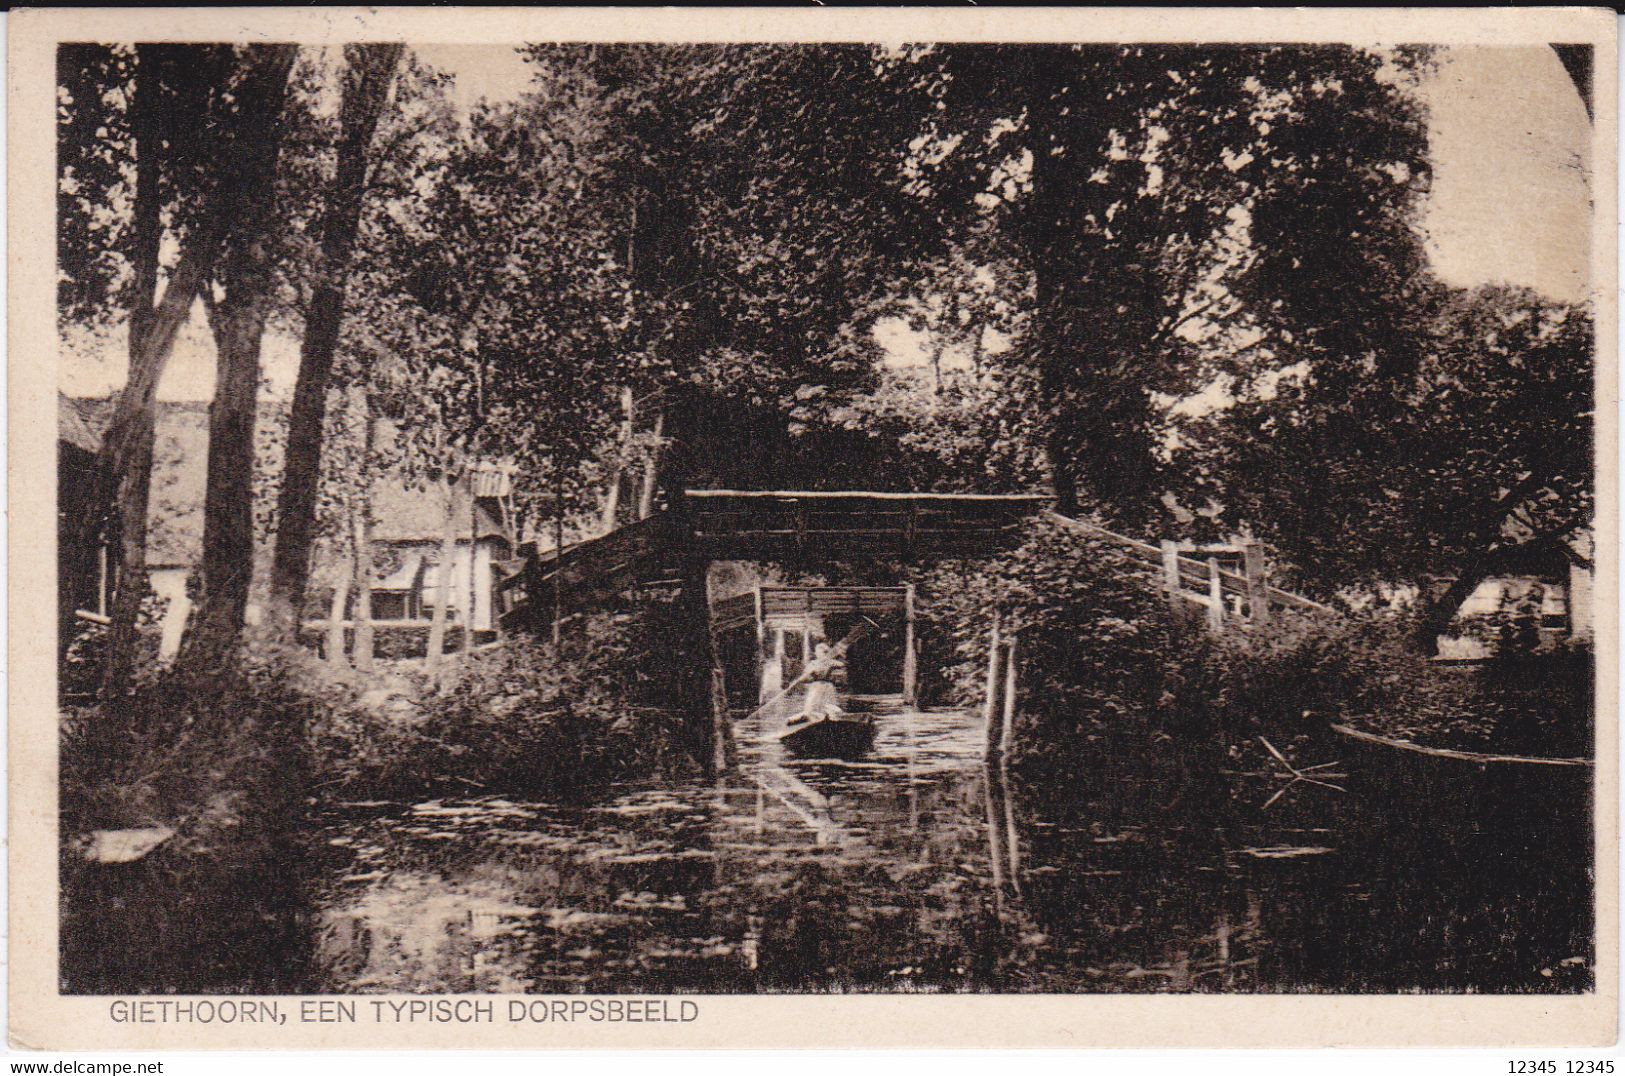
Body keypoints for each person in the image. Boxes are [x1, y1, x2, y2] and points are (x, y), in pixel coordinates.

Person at [789, 641, 846, 725]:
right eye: (817, 652)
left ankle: (828, 722)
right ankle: (812, 722)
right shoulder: (813, 663)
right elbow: (805, 677)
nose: (817, 653)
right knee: (811, 707)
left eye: (820, 652)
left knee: (829, 707)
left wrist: (837, 657)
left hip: (827, 687)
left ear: (824, 653)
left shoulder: (829, 662)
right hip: (816, 686)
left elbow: (841, 664)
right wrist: (799, 680)